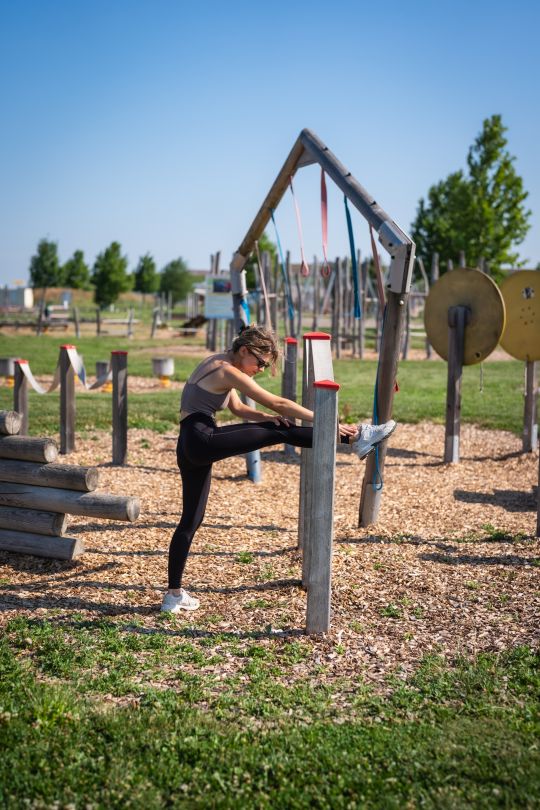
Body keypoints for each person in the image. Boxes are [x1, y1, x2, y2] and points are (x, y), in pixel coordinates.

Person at [161, 325, 396, 613]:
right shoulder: (226, 370)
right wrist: (328, 421)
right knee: (280, 431)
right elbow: (279, 401)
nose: (260, 369)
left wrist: (267, 419)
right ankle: (355, 437)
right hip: (202, 438)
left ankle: (173, 595)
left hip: (190, 444)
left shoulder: (218, 363)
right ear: (244, 350)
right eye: (259, 362)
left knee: (190, 521)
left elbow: (239, 409)